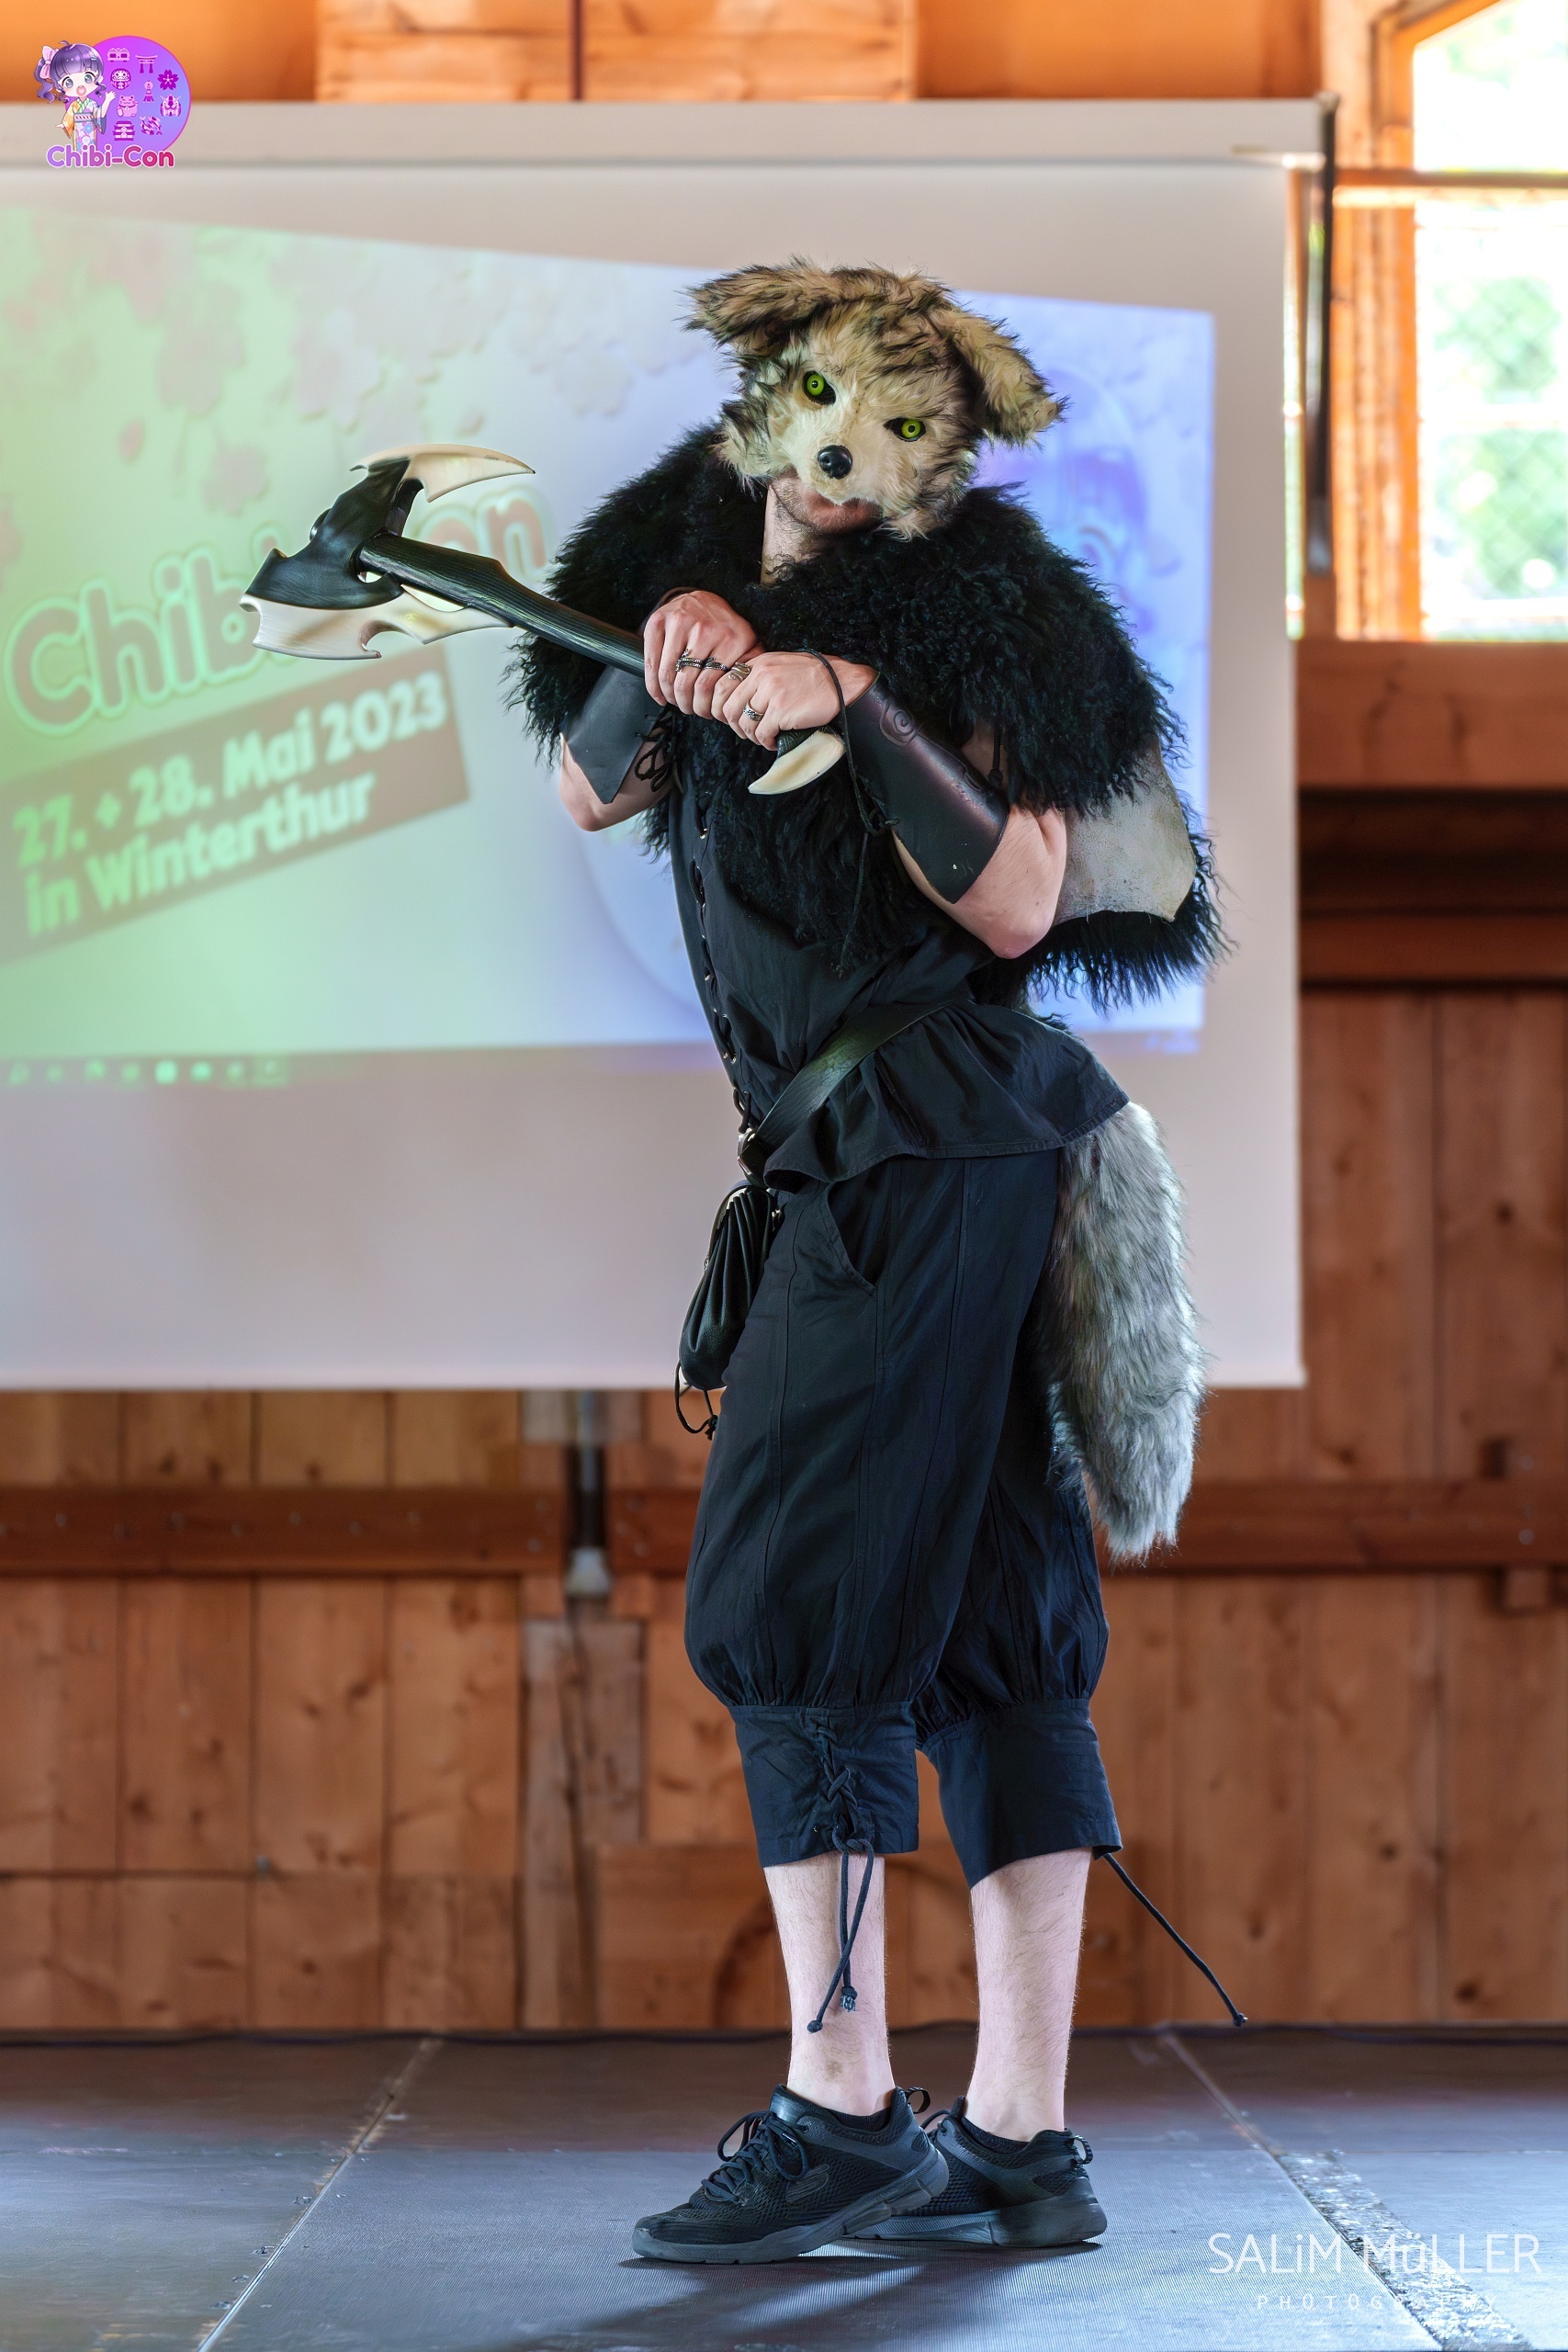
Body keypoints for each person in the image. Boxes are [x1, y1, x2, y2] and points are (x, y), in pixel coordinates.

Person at [516, 261, 1213, 2265]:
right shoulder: (674, 560)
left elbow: (1021, 901)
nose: (847, 456)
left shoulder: (987, 608)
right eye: (818, 408)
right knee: (990, 1613)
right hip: (897, 1153)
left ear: (952, 454)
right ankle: (1017, 2138)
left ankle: (841, 2110)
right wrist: (668, 649)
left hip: (928, 1146)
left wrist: (855, 700)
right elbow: (589, 783)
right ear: (757, 399)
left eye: (901, 429)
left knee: (794, 1590)